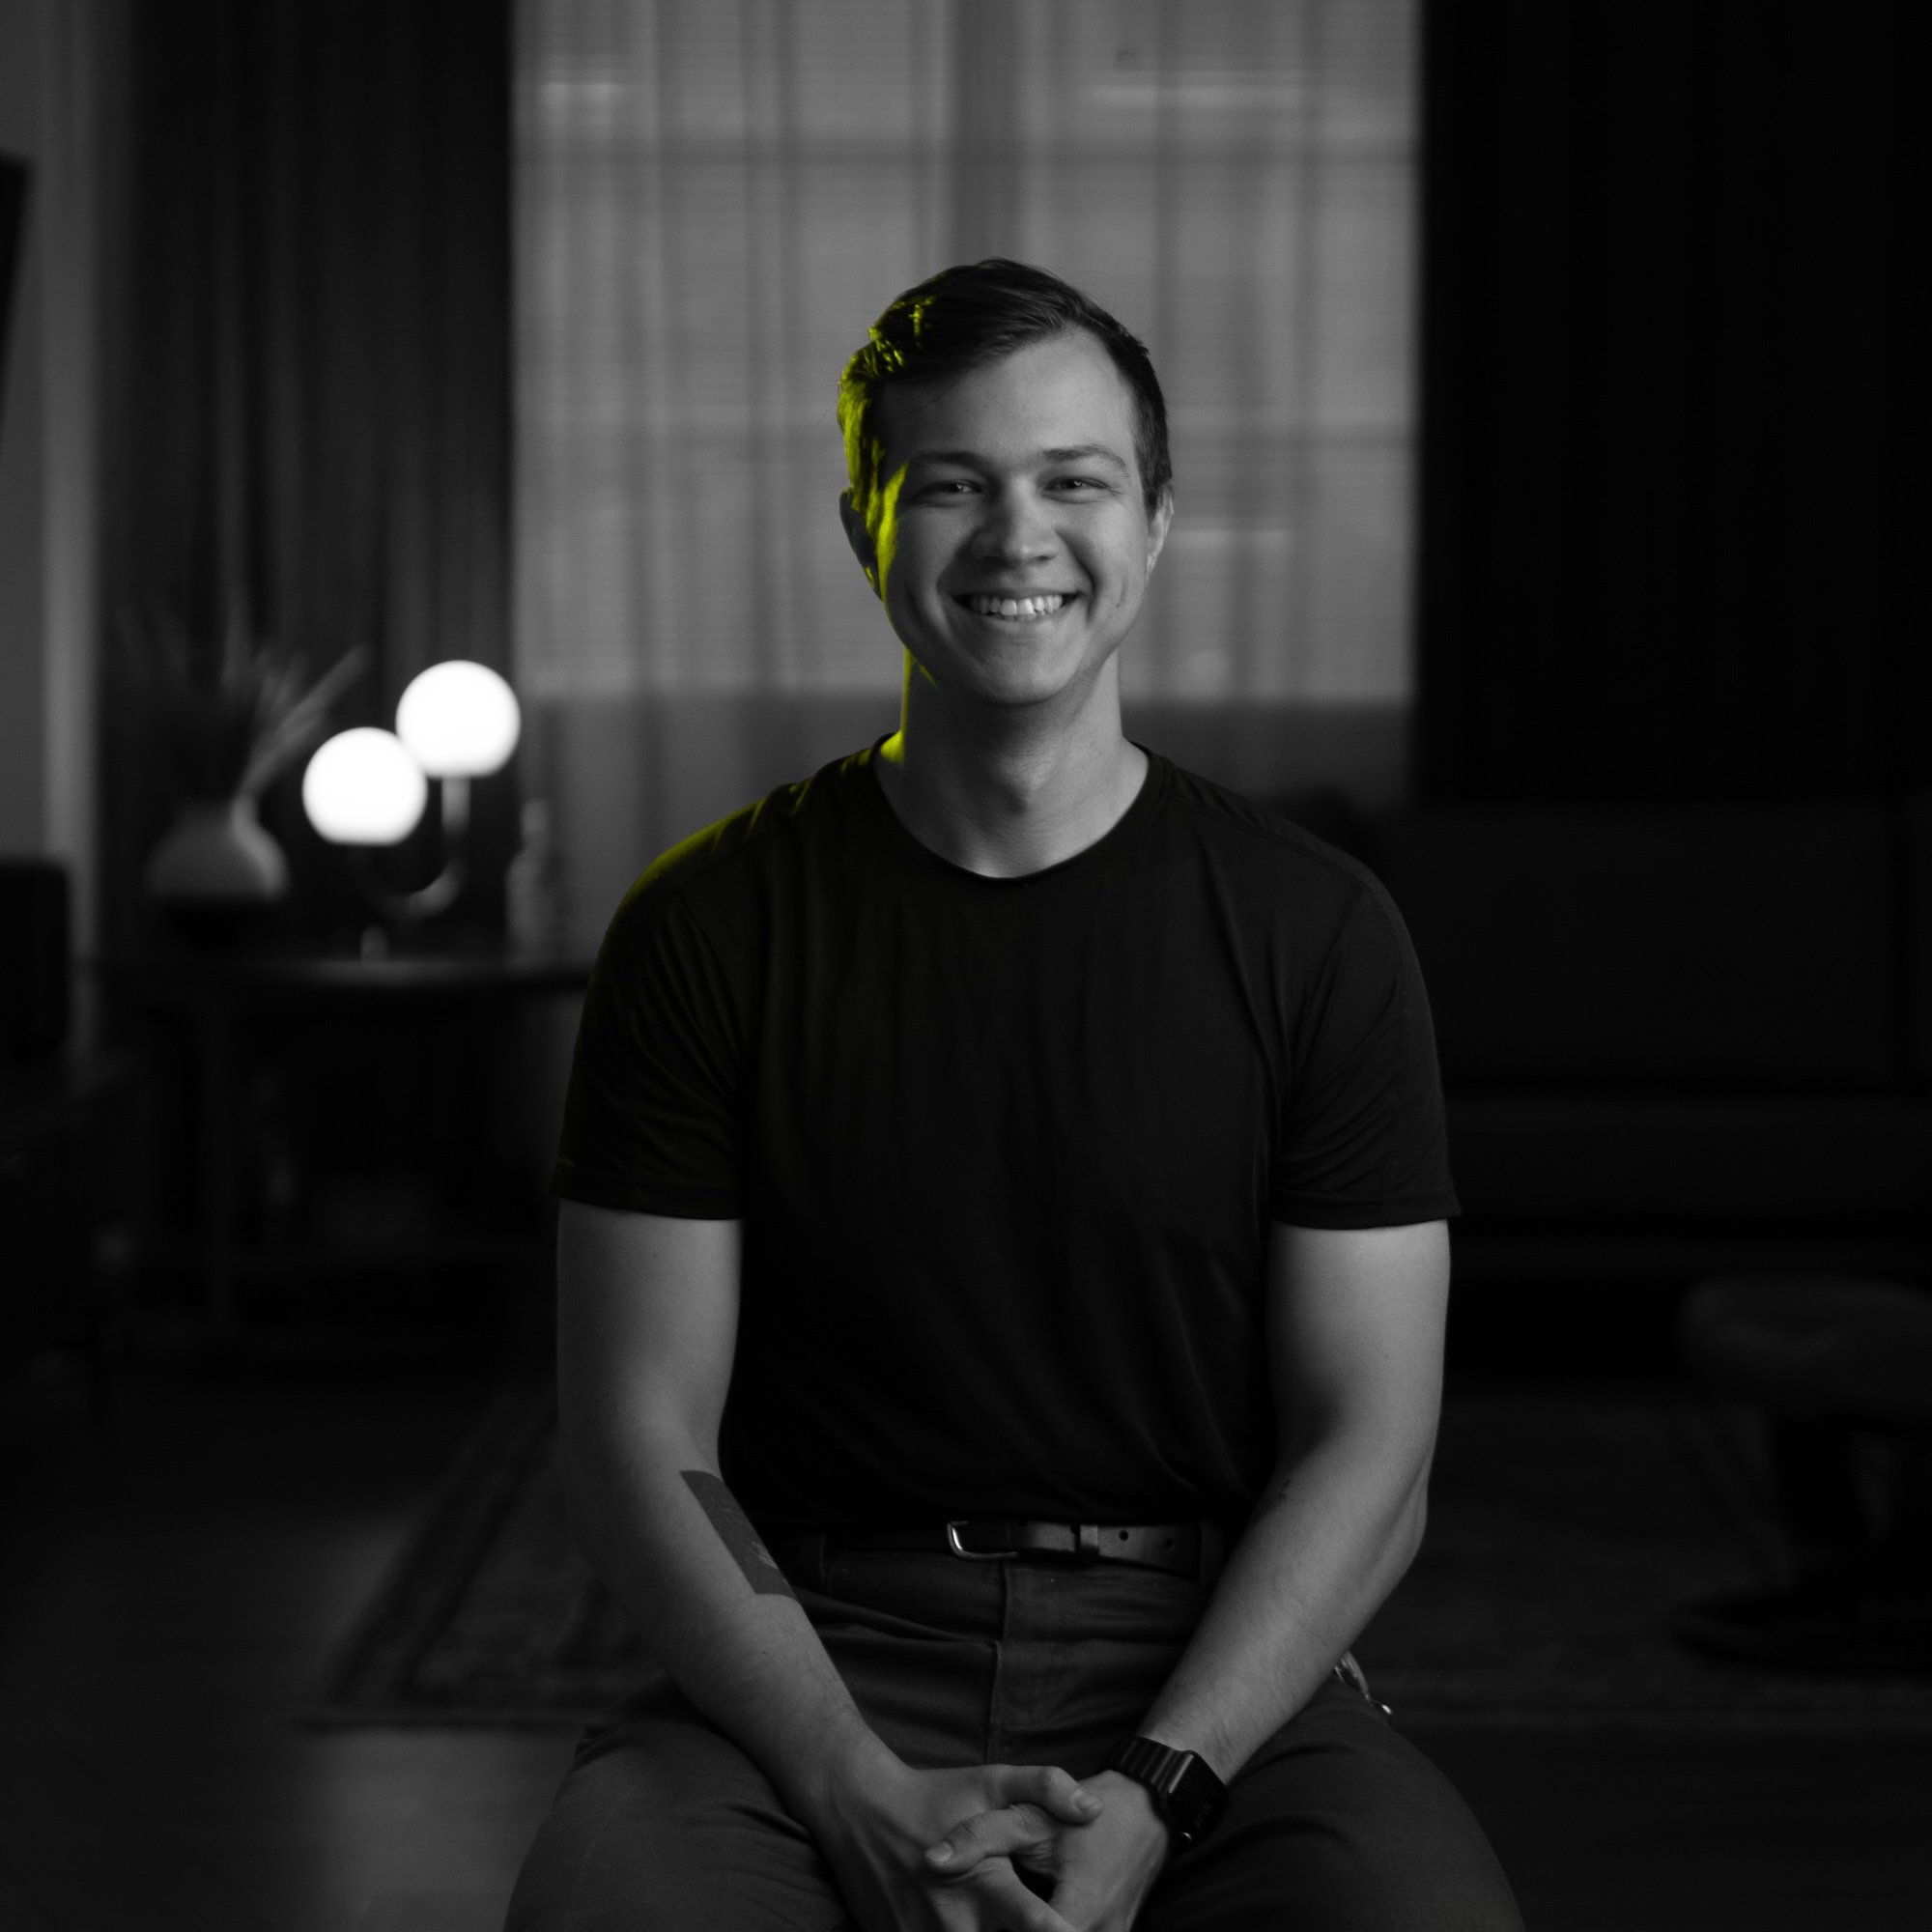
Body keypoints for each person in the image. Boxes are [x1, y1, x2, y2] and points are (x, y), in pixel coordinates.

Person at [506, 260, 1521, 1931]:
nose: (1017, 537)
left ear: (1157, 521)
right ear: (863, 526)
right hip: (808, 1653)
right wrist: (847, 1782)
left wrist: (1166, 1785)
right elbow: (640, 1438)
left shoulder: (1320, 935)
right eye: (952, 485)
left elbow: (1371, 1446)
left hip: (1210, 1673)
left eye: (1074, 481)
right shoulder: (702, 932)